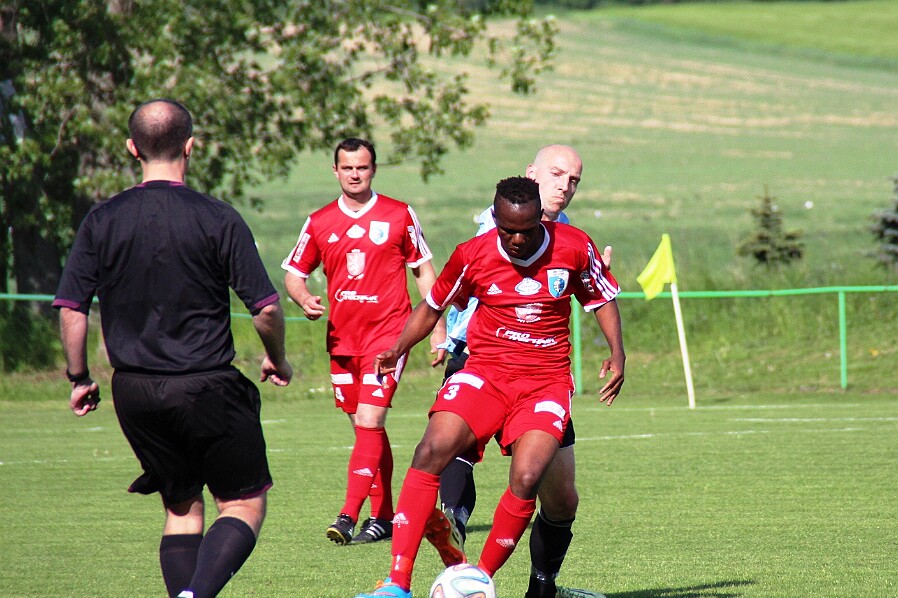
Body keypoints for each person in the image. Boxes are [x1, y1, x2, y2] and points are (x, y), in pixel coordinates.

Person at [53, 99, 294, 598]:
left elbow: (72, 308)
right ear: (190, 146)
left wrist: (80, 379)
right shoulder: (217, 217)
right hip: (206, 385)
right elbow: (266, 309)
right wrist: (277, 355)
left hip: (135, 392)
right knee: (243, 504)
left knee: (182, 508)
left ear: (131, 148)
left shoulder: (102, 220)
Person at [355, 176, 625, 598]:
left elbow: (602, 297)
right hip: (485, 374)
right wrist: (398, 348)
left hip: (545, 382)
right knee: (430, 451)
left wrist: (617, 352)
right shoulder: (473, 254)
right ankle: (396, 584)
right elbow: (433, 306)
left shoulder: (573, 246)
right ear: (493, 218)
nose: (517, 239)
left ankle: (476, 579)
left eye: (527, 229)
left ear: (541, 218)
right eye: (507, 229)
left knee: (529, 475)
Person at [438, 144, 609, 598]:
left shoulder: (570, 235)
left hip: (541, 374)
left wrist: (598, 280)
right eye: (556, 174)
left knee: (561, 496)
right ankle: (453, 532)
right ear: (531, 173)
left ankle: (542, 585)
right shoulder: (497, 222)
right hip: (479, 358)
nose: (564, 186)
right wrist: (445, 333)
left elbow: (586, 291)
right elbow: (458, 283)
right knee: (457, 445)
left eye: (573, 180)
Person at [282, 137, 446, 546]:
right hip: (342, 340)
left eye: (363, 167)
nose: (355, 174)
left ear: (374, 169)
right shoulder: (319, 221)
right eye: (348, 168)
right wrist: (303, 298)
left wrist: (437, 330)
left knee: (371, 421)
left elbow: (425, 273)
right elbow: (293, 273)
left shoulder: (398, 214)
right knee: (365, 430)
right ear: (335, 171)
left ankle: (347, 515)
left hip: (389, 337)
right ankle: (384, 517)